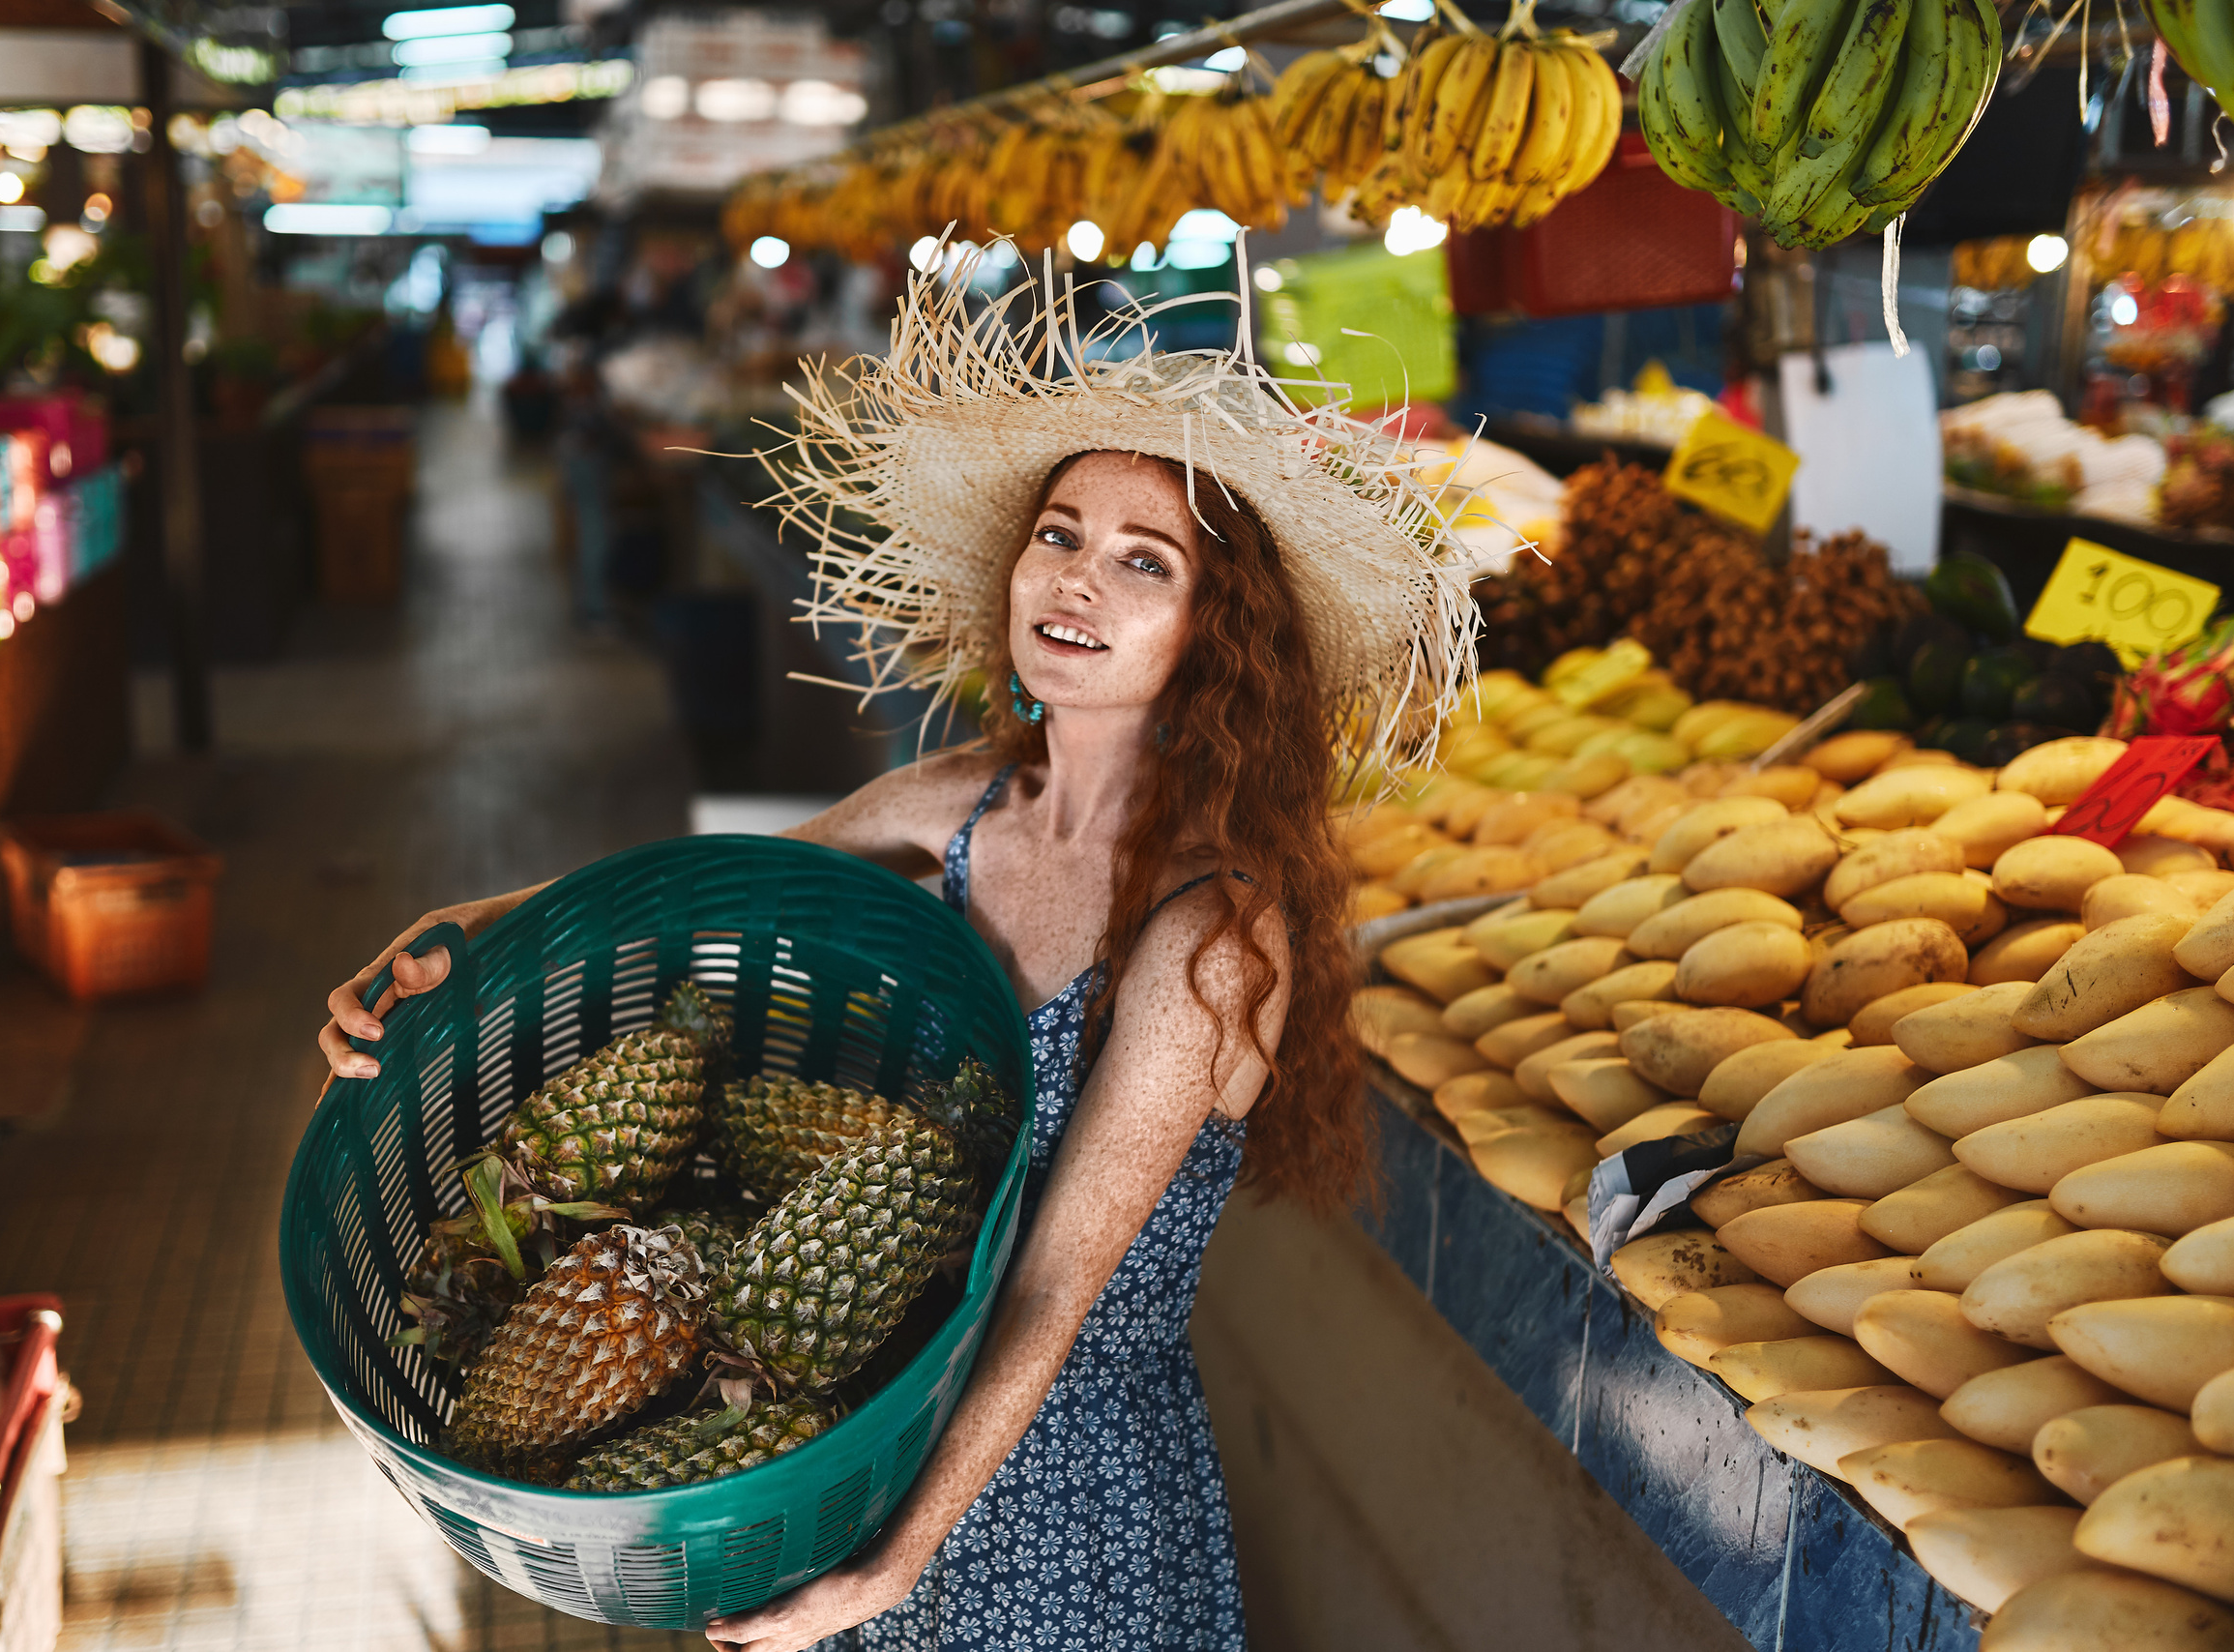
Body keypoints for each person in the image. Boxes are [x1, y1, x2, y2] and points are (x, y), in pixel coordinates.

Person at [318, 246, 1483, 1652]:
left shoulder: (1208, 941)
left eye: (1143, 562)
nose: (1079, 582)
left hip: (1056, 1489)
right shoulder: (963, 802)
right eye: (1059, 533)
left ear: (1213, 635)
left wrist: (892, 1569)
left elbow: (1053, 1289)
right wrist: (476, 930)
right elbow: (701, 895)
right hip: (865, 1435)